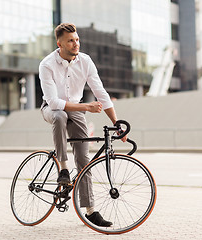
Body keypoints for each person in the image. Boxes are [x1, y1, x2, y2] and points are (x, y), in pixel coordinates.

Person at [39, 23, 127, 227]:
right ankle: (63, 168)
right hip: (51, 108)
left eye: (77, 39)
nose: (75, 43)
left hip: (77, 109)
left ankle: (90, 210)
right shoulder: (47, 64)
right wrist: (86, 107)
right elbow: (53, 102)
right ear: (59, 43)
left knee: (84, 159)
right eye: (70, 40)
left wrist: (117, 124)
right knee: (60, 115)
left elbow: (101, 92)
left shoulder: (85, 61)